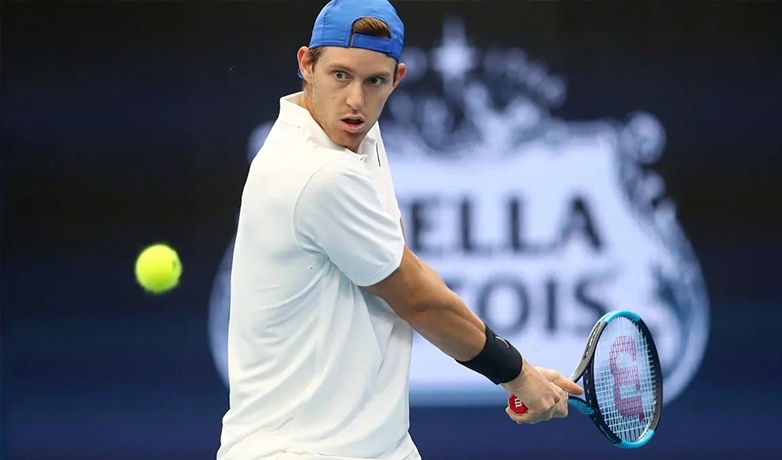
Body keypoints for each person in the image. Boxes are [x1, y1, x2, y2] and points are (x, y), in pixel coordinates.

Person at [217, 1, 583, 459]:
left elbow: (403, 265)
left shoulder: (356, 136)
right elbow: (418, 299)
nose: (356, 99)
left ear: (397, 79)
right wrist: (515, 373)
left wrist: (522, 366)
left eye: (375, 81)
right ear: (306, 64)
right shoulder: (318, 173)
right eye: (340, 75)